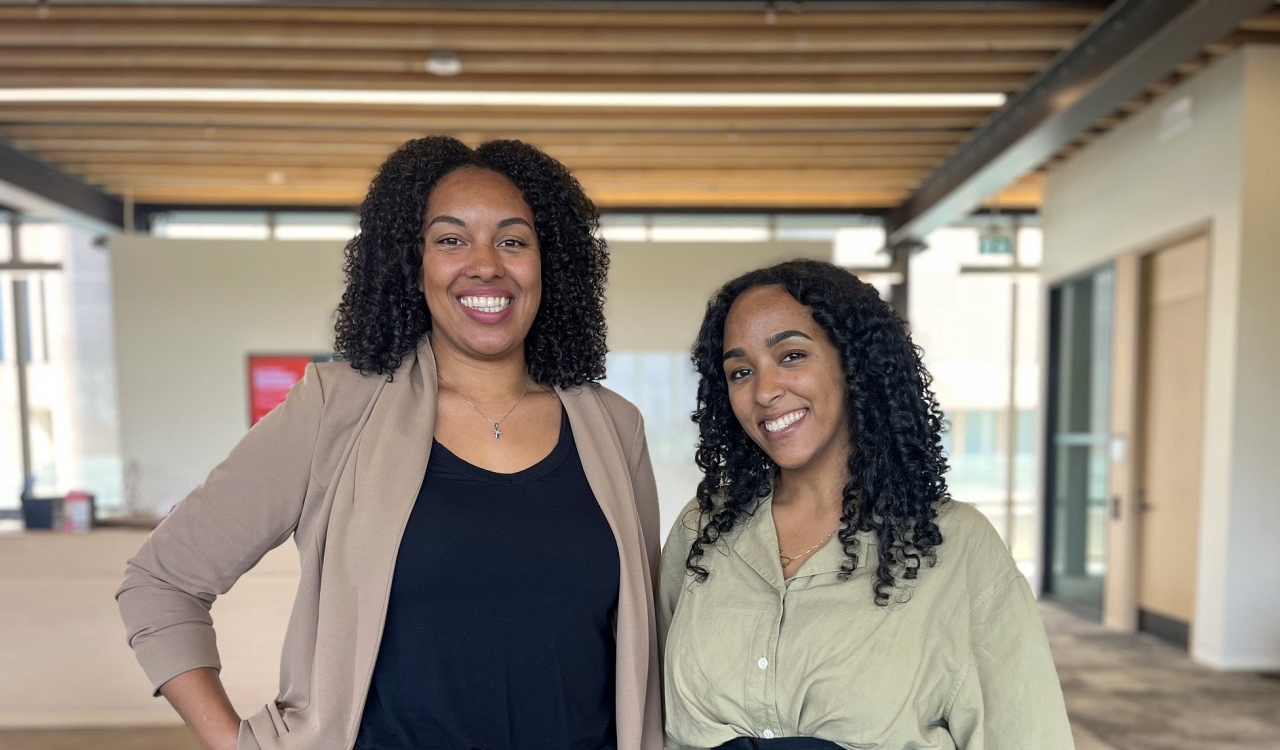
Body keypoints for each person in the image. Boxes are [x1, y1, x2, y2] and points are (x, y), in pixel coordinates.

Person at [118, 137, 663, 750]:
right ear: (412, 262)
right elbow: (160, 583)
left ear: (549, 262)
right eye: (450, 239)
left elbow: (643, 641)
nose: (486, 264)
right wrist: (236, 744)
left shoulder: (615, 429)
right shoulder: (337, 407)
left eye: (513, 240)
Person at [658, 260, 1072, 750]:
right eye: (740, 371)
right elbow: (651, 713)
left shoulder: (956, 547)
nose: (764, 391)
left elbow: (1027, 735)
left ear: (854, 364)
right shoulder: (703, 531)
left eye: (791, 356)